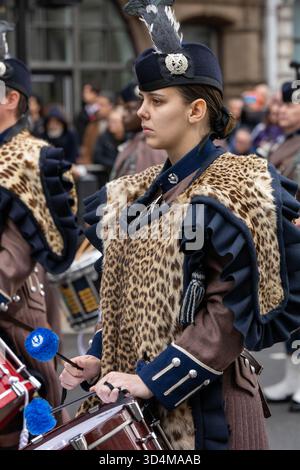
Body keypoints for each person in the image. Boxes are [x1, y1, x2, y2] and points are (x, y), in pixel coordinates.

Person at [60, 0, 300, 450]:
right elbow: (124, 293)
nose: (142, 112)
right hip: (133, 400)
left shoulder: (240, 184)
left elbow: (227, 313)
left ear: (195, 111)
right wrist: (96, 356)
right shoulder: (135, 191)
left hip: (210, 410)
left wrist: (151, 379)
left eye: (156, 101)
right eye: (141, 101)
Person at [0, 56, 79, 448]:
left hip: (13, 318)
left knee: (29, 429)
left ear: (10, 97)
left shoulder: (29, 158)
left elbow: (13, 259)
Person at [263, 80, 300, 411]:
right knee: (291, 312)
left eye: (290, 104)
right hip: (283, 238)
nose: (282, 110)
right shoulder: (284, 142)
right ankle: (293, 377)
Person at [110, 81, 166, 179]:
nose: (123, 115)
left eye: (129, 109)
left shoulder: (151, 145)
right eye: (123, 108)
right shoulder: (136, 140)